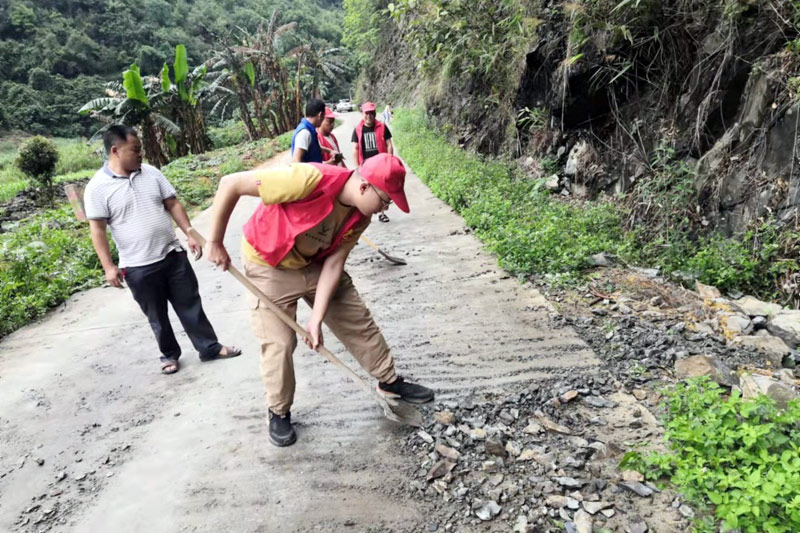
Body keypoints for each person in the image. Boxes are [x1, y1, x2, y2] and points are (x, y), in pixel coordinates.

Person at [204, 153, 434, 446]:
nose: (383, 209)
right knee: (280, 342)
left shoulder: (360, 216)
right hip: (269, 264)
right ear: (365, 187)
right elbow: (230, 183)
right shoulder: (308, 179)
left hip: (314, 262)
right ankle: (278, 411)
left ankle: (389, 382)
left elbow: (335, 264)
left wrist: (315, 319)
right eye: (385, 201)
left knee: (355, 318)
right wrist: (215, 241)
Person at [84, 125, 241, 375]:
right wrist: (108, 266)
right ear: (115, 150)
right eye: (135, 150)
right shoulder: (97, 188)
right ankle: (168, 355)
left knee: (190, 303)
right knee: (156, 315)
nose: (140, 154)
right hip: (137, 265)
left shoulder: (152, 174)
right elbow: (98, 231)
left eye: (141, 149)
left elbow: (172, 203)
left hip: (172, 254)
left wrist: (189, 232)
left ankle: (209, 347)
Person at [352, 101, 394, 222]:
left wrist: (390, 160)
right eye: (366, 113)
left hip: (381, 164)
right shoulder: (358, 130)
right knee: (366, 189)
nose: (369, 116)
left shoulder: (382, 127)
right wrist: (357, 167)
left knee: (382, 189)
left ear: (375, 114)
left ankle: (382, 213)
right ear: (362, 114)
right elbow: (355, 148)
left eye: (371, 113)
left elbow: (389, 144)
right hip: (365, 165)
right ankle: (365, 214)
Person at [291, 98, 326, 163]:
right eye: (324, 116)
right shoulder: (305, 133)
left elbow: (314, 148)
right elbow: (296, 160)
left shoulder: (309, 129)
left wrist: (330, 151)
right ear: (320, 115)